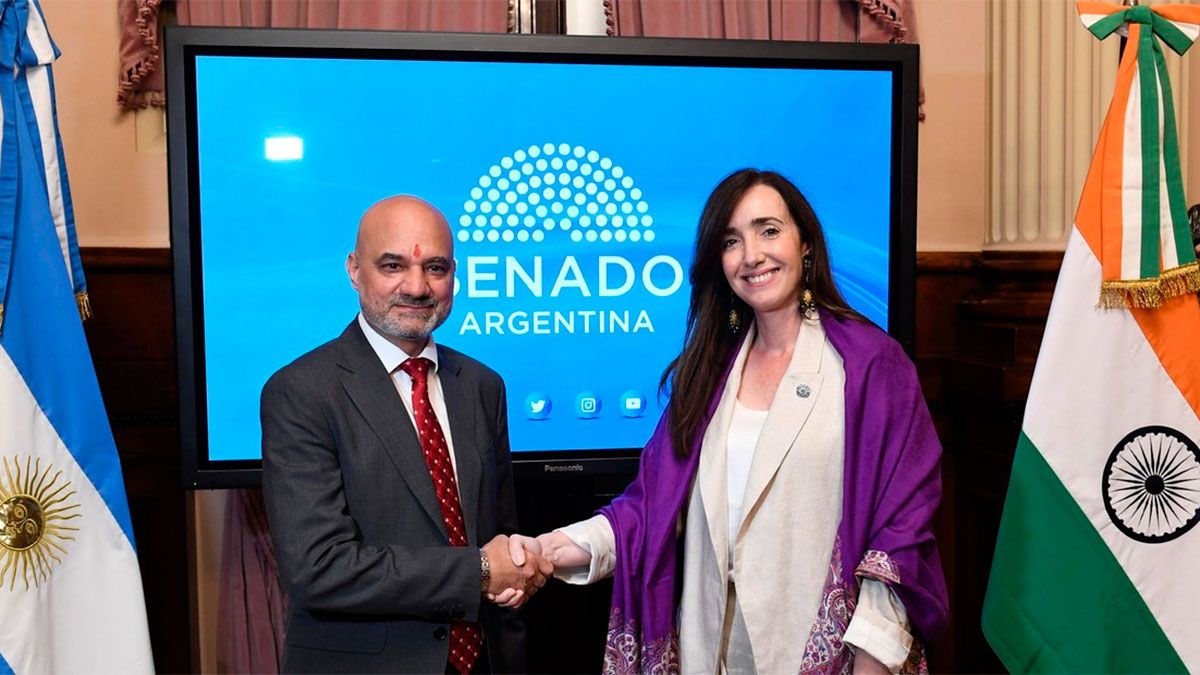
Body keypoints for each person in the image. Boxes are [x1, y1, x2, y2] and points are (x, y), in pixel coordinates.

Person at [524, 169, 948, 674]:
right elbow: (649, 510)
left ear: (805, 243)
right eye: (731, 241)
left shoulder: (871, 365)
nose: (751, 255)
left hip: (825, 655)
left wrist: (871, 665)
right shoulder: (708, 372)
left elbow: (902, 528)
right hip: (709, 653)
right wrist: (545, 551)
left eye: (769, 230)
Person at [261, 195, 550, 674]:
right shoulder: (301, 391)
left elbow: (499, 539)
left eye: (435, 268)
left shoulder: (482, 386)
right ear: (354, 270)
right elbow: (319, 568)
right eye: (393, 265)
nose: (417, 287)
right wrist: (478, 572)